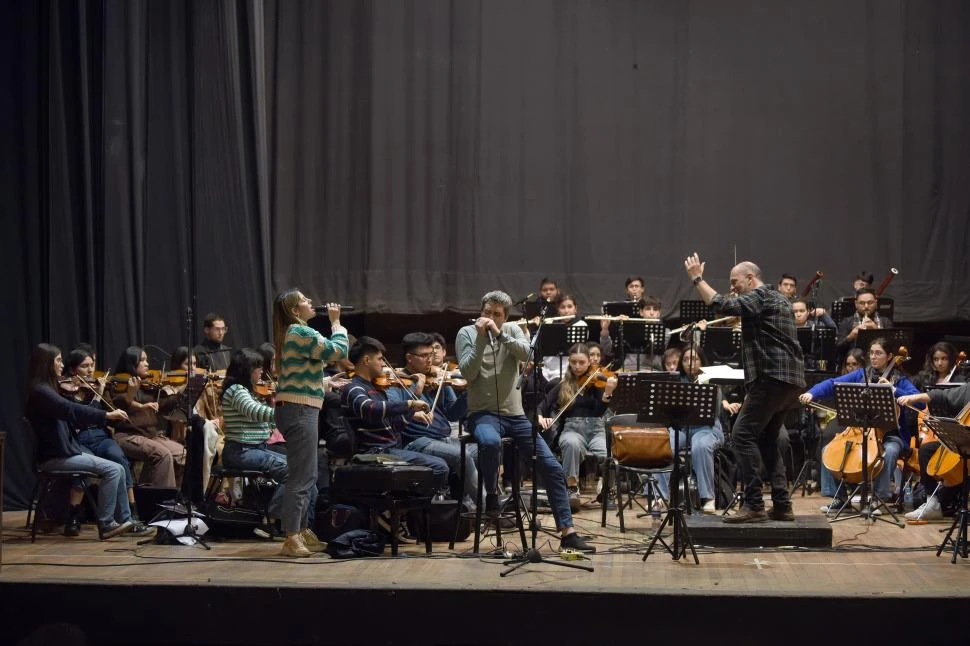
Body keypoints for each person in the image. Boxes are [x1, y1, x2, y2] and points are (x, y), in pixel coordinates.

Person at [456, 290, 596, 552]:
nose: (490, 318)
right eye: (487, 312)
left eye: (496, 315)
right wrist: (481, 340)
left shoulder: (513, 330)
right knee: (489, 441)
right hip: (483, 414)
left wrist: (498, 334)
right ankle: (493, 495)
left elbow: (525, 356)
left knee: (552, 468)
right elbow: (468, 372)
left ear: (505, 317)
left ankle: (568, 532)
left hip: (516, 416)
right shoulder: (466, 334)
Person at [684, 254, 805, 523]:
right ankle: (782, 505)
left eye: (735, 281)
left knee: (741, 435)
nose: (733, 286)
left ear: (751, 278)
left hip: (772, 378)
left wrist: (697, 279)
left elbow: (721, 303)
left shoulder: (761, 295)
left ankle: (754, 505)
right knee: (768, 439)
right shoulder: (776, 299)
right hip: (789, 381)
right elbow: (731, 307)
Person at [25, 344, 147, 539]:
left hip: (65, 451)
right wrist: (106, 415)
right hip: (56, 457)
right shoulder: (42, 392)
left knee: (118, 467)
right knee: (114, 469)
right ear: (46, 363)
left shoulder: (48, 389)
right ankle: (107, 524)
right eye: (58, 360)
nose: (61, 364)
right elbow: (72, 410)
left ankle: (121, 520)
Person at [800, 338, 920, 510]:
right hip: (860, 432)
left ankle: (878, 498)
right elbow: (833, 384)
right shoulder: (861, 374)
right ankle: (839, 498)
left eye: (878, 353)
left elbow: (920, 402)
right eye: (871, 353)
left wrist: (894, 390)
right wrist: (812, 393)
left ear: (889, 357)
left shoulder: (899, 380)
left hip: (890, 435)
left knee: (890, 452)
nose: (874, 357)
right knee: (828, 450)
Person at [273, 289, 349, 557]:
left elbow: (298, 375)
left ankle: (301, 529)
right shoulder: (302, 332)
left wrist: (325, 382)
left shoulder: (293, 334)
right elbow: (337, 350)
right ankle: (291, 536)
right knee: (302, 475)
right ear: (295, 311)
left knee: (309, 474)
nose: (310, 302)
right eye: (305, 300)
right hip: (299, 410)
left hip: (298, 406)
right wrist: (336, 322)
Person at [340, 337, 450, 487]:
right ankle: (410, 507)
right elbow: (369, 409)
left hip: (390, 449)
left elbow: (395, 425)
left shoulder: (378, 390)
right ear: (366, 360)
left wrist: (411, 411)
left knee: (442, 464)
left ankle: (410, 506)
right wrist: (409, 404)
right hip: (374, 452)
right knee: (439, 467)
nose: (383, 364)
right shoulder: (354, 388)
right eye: (379, 359)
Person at [538, 343, 616, 511]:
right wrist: (540, 417)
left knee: (606, 454)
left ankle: (607, 491)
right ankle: (572, 489)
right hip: (572, 428)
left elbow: (598, 411)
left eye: (582, 362)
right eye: (574, 362)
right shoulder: (564, 383)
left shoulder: (597, 382)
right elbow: (543, 405)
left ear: (589, 362)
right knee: (571, 444)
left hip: (596, 429)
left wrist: (607, 393)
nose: (577, 366)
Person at [221, 348, 289, 537]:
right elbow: (255, 412)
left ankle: (302, 523)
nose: (261, 371)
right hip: (241, 452)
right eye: (257, 367)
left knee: (302, 467)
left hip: (255, 448)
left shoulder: (248, 391)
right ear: (245, 370)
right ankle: (270, 522)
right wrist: (285, 412)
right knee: (292, 472)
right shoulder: (236, 391)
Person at [64, 346, 138, 518]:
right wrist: (97, 397)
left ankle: (132, 512)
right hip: (79, 439)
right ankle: (73, 518)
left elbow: (109, 414)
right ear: (74, 369)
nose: (90, 370)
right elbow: (80, 418)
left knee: (119, 458)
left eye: (92, 365)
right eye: (84, 366)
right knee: (81, 466)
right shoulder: (66, 392)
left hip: (101, 436)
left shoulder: (98, 387)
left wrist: (107, 401)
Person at [653, 347, 726, 513]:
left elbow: (715, 411)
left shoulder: (711, 379)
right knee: (663, 445)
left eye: (693, 359)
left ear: (702, 361)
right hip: (682, 426)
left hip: (707, 427)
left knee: (700, 446)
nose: (689, 363)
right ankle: (661, 497)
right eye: (685, 359)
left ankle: (708, 497)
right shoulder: (677, 381)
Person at [110, 347, 187, 488]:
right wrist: (131, 393)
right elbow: (119, 407)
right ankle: (160, 501)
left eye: (147, 360)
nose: (147, 364)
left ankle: (176, 498)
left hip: (150, 436)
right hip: (128, 436)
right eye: (142, 360)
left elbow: (163, 405)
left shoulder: (148, 386)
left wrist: (182, 392)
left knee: (182, 454)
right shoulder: (118, 385)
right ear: (131, 363)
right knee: (162, 455)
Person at [897, 382, 970, 520]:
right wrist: (914, 398)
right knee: (926, 451)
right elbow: (941, 395)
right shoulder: (968, 390)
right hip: (964, 443)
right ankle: (932, 503)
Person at [836, 288, 894, 358]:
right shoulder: (846, 322)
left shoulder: (886, 321)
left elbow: (892, 348)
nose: (866, 306)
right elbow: (837, 350)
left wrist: (877, 330)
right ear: (856, 304)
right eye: (862, 303)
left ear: (876, 303)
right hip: (855, 364)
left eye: (870, 303)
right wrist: (850, 336)